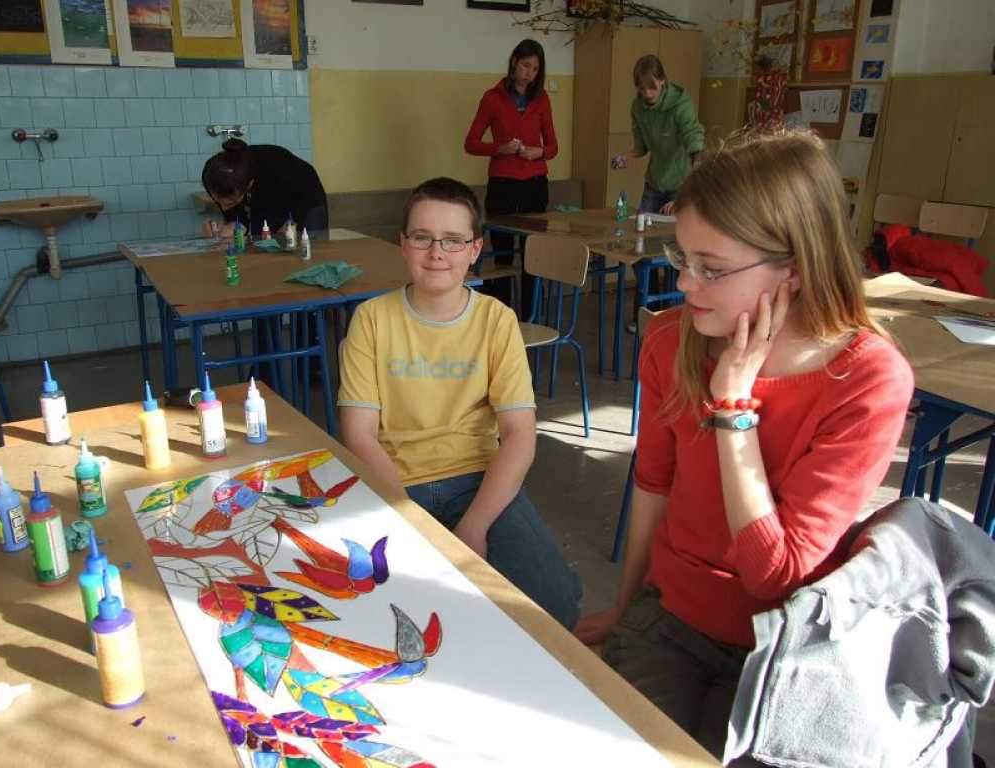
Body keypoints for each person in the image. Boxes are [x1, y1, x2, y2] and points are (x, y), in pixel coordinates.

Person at [575, 132, 914, 762]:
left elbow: (773, 574)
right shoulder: (672, 340)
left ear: (796, 267)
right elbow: (653, 484)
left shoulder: (867, 379)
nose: (684, 282)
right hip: (671, 616)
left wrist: (734, 405)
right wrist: (625, 607)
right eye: (682, 258)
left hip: (780, 643)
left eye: (712, 268)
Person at [337, 177, 581, 630]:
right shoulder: (371, 319)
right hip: (395, 483)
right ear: (403, 244)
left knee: (557, 604)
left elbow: (519, 435)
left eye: (453, 240)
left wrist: (474, 527)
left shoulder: (496, 320)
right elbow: (360, 434)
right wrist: (408, 519)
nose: (437, 252)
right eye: (422, 237)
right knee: (385, 613)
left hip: (477, 479)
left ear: (474, 249)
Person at [465, 38, 558, 318]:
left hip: (534, 184)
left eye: (535, 69)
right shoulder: (492, 98)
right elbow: (471, 143)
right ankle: (502, 318)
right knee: (503, 256)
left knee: (533, 254)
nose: (529, 73)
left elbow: (553, 146)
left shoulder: (541, 99)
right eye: (526, 66)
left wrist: (539, 152)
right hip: (503, 185)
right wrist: (501, 148)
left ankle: (531, 318)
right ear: (514, 62)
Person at [612, 54, 704, 332]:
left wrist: (684, 196)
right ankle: (645, 315)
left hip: (682, 183)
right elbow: (641, 147)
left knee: (676, 254)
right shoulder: (638, 107)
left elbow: (695, 144)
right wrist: (627, 157)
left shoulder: (680, 104)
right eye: (641, 88)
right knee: (642, 249)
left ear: (662, 82)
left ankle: (674, 318)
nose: (647, 94)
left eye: (651, 87)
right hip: (655, 183)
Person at [201, 139, 328, 239]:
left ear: (249, 185)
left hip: (306, 196)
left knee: (307, 244)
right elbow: (238, 217)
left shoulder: (277, 168)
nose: (223, 208)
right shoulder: (211, 177)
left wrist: (291, 223)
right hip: (267, 196)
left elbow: (302, 200)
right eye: (217, 201)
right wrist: (233, 225)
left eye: (230, 203)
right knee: (262, 244)